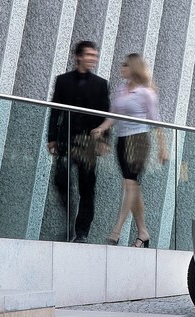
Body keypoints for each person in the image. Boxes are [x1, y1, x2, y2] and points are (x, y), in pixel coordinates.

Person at [92, 53, 168, 247]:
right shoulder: (121, 89)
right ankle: (143, 233)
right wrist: (102, 128)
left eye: (125, 65)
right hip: (122, 140)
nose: (122, 68)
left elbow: (156, 122)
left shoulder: (146, 93)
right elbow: (114, 115)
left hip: (138, 140)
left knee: (129, 184)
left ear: (134, 67)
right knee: (133, 186)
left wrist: (162, 148)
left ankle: (116, 231)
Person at [47, 41, 110, 243]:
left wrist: (104, 140)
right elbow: (55, 110)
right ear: (78, 57)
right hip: (67, 139)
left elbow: (105, 113)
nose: (93, 59)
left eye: (95, 55)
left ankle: (82, 232)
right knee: (62, 181)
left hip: (88, 142)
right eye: (89, 55)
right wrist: (52, 137)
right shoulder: (63, 81)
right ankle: (68, 226)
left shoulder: (100, 84)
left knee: (87, 187)